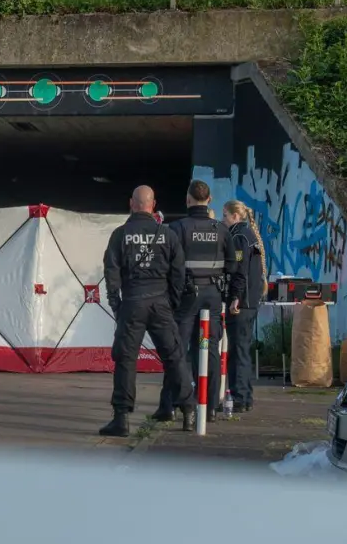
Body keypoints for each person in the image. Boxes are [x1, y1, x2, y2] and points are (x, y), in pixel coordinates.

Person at [98, 185, 188, 437]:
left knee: (126, 359)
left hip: (133, 302)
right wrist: (171, 301)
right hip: (161, 302)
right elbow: (179, 272)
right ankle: (188, 411)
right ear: (153, 204)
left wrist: (117, 304)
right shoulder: (167, 234)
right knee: (174, 356)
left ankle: (121, 418)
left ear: (132, 203)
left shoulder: (120, 234)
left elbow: (111, 272)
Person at [159, 180, 243, 431]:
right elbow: (233, 265)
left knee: (178, 349)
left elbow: (167, 264)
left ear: (188, 199)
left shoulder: (176, 228)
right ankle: (211, 408)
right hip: (213, 295)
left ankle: (174, 404)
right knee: (210, 349)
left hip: (186, 296)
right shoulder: (221, 229)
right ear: (209, 201)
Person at [223, 200, 267, 415]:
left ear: (235, 216)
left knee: (238, 352)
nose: (223, 220)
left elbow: (239, 271)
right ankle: (246, 396)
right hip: (251, 302)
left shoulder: (239, 237)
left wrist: (235, 298)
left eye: (225, 216)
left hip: (242, 304)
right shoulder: (251, 237)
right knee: (244, 351)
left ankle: (239, 398)